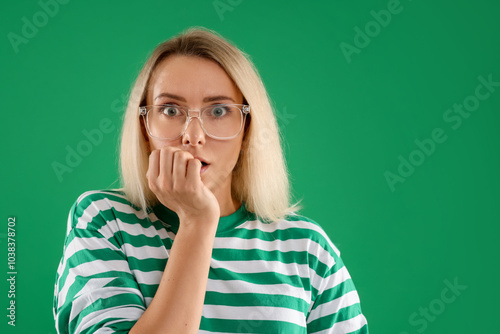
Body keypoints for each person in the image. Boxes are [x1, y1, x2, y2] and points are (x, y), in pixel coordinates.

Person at [53, 27, 369, 333]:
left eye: (218, 111)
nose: (193, 136)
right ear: (144, 128)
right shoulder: (104, 220)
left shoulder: (307, 248)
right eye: (170, 109)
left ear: (247, 130)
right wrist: (196, 221)